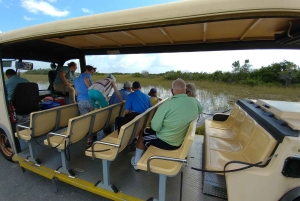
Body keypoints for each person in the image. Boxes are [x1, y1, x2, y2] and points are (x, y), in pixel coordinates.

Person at [131, 78, 202, 170]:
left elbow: (155, 127)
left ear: (172, 90)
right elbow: (200, 110)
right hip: (179, 140)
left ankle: (136, 163)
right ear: (185, 90)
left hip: (167, 143)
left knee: (143, 132)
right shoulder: (195, 102)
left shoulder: (167, 104)